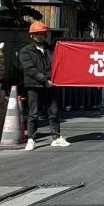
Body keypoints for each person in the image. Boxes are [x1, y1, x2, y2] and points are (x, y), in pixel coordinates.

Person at [18, 21, 70, 150]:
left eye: (41, 34)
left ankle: (56, 137)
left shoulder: (51, 49)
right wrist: (45, 80)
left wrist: (55, 80)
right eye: (37, 34)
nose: (39, 36)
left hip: (51, 85)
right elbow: (29, 69)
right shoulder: (26, 51)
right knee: (33, 113)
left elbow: (58, 64)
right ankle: (31, 139)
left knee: (54, 112)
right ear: (31, 35)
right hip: (34, 85)